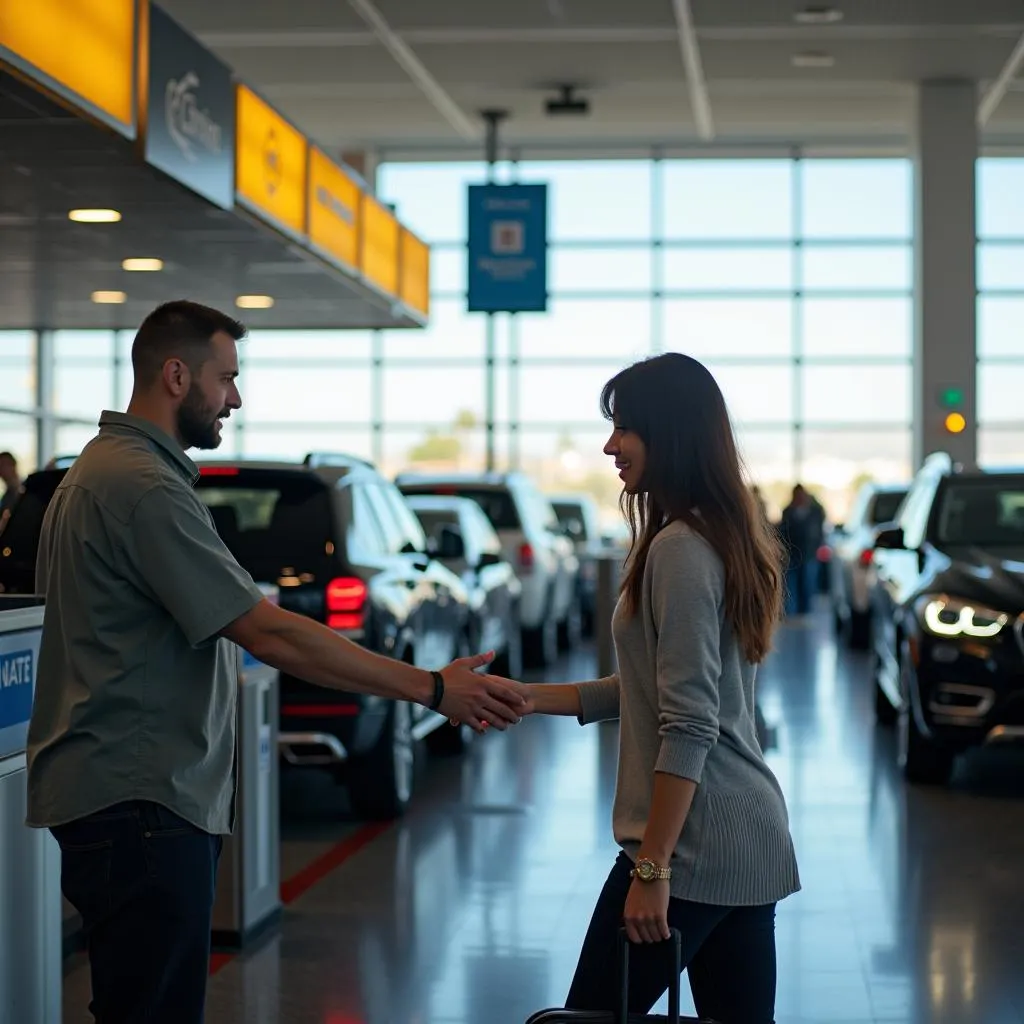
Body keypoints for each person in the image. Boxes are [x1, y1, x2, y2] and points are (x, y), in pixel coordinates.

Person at [25, 300, 530, 1024]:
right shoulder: (142, 487)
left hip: (121, 796)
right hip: (142, 802)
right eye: (225, 378)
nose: (235, 396)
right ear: (176, 375)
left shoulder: (101, 473)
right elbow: (271, 634)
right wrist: (428, 687)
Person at [498, 353, 801, 1023]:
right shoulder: (716, 538)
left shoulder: (680, 550)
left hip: (689, 845)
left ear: (670, 434)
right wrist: (521, 696)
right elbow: (645, 687)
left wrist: (653, 869)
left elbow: (688, 722)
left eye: (624, 429)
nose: (610, 446)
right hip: (747, 839)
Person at [779, 483, 826, 616]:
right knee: (791, 585)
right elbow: (783, 532)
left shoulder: (815, 512)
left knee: (808, 583)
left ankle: (805, 612)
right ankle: (791, 613)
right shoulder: (788, 511)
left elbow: (819, 532)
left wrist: (817, 547)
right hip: (792, 554)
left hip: (809, 554)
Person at [0, 449, 22, 517]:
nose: (1, 470)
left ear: (14, 465)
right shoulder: (5, 498)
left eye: (3, 465)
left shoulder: (28, 489)